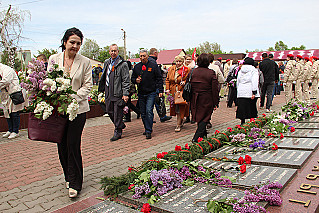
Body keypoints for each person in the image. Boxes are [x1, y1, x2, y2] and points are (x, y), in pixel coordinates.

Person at [48, 27, 93, 198]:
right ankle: (68, 175)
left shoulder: (85, 62)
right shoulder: (54, 59)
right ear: (65, 42)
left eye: (78, 43)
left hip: (78, 109)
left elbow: (87, 86)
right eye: (72, 42)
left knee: (73, 144)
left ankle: (75, 183)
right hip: (59, 109)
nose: (75, 46)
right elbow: (48, 81)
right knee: (61, 144)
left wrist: (72, 99)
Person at [98, 44, 130, 141]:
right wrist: (101, 89)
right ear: (109, 52)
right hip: (108, 91)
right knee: (109, 110)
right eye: (111, 51)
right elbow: (104, 76)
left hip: (118, 92)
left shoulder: (123, 64)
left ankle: (118, 131)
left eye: (115, 51)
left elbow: (125, 80)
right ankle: (120, 124)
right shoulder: (107, 62)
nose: (113, 52)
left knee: (117, 113)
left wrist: (125, 93)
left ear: (118, 52)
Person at [131, 49, 164, 139]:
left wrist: (160, 90)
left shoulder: (153, 65)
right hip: (141, 93)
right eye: (141, 56)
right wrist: (135, 80)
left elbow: (159, 78)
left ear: (147, 56)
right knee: (143, 112)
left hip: (151, 92)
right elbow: (132, 78)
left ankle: (149, 130)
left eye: (144, 56)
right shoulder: (137, 67)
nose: (142, 58)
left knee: (149, 110)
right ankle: (146, 128)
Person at [189, 53, 219, 142]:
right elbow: (215, 89)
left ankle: (203, 137)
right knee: (205, 117)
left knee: (199, 116)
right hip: (207, 98)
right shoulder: (210, 73)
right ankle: (196, 137)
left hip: (194, 97)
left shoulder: (192, 71)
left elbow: (188, 85)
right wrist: (216, 102)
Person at [0, 63, 27, 139]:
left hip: (13, 93)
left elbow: (6, 81)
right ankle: (10, 129)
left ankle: (15, 131)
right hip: (5, 95)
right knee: (7, 112)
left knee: (14, 112)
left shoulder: (6, 69)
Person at [165, 55, 190, 132]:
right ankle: (181, 120)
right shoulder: (171, 69)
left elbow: (189, 80)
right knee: (175, 108)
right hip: (173, 91)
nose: (178, 63)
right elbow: (167, 80)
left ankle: (178, 124)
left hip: (181, 91)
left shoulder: (186, 69)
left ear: (183, 62)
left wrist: (184, 82)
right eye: (177, 61)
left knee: (180, 107)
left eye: (180, 61)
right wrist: (167, 89)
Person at [148, 48, 172, 123]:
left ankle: (154, 118)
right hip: (154, 86)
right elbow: (158, 77)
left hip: (149, 86)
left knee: (152, 103)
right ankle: (162, 116)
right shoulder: (153, 62)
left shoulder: (148, 61)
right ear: (155, 53)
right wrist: (160, 88)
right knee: (158, 101)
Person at [236, 57, 260, 125]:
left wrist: (238, 90)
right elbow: (255, 81)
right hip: (250, 90)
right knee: (251, 107)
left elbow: (238, 81)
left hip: (241, 91)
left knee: (242, 107)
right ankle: (251, 121)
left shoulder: (240, 70)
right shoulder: (254, 70)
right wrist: (254, 92)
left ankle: (242, 121)